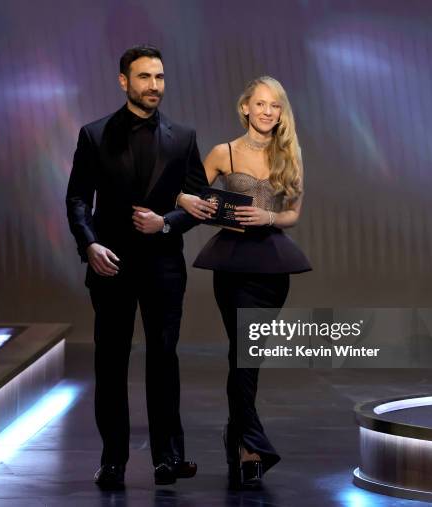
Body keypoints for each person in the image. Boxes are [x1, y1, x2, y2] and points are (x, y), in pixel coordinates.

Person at [66, 45, 207, 490]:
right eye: (144, 77)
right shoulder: (94, 134)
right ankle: (113, 461)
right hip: (111, 265)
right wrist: (89, 245)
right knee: (110, 363)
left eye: (160, 77)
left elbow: (199, 203)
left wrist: (165, 223)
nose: (154, 86)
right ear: (123, 81)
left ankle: (168, 457)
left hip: (164, 265)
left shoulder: (183, 137)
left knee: (164, 359)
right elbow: (76, 199)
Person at [177, 76, 311, 489]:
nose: (268, 112)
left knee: (249, 355)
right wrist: (187, 201)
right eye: (261, 104)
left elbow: (292, 214)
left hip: (272, 266)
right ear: (245, 108)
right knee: (244, 354)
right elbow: (188, 193)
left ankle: (237, 436)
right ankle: (251, 446)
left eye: (276, 106)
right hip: (233, 265)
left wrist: (269, 217)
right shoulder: (224, 152)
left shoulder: (289, 154)